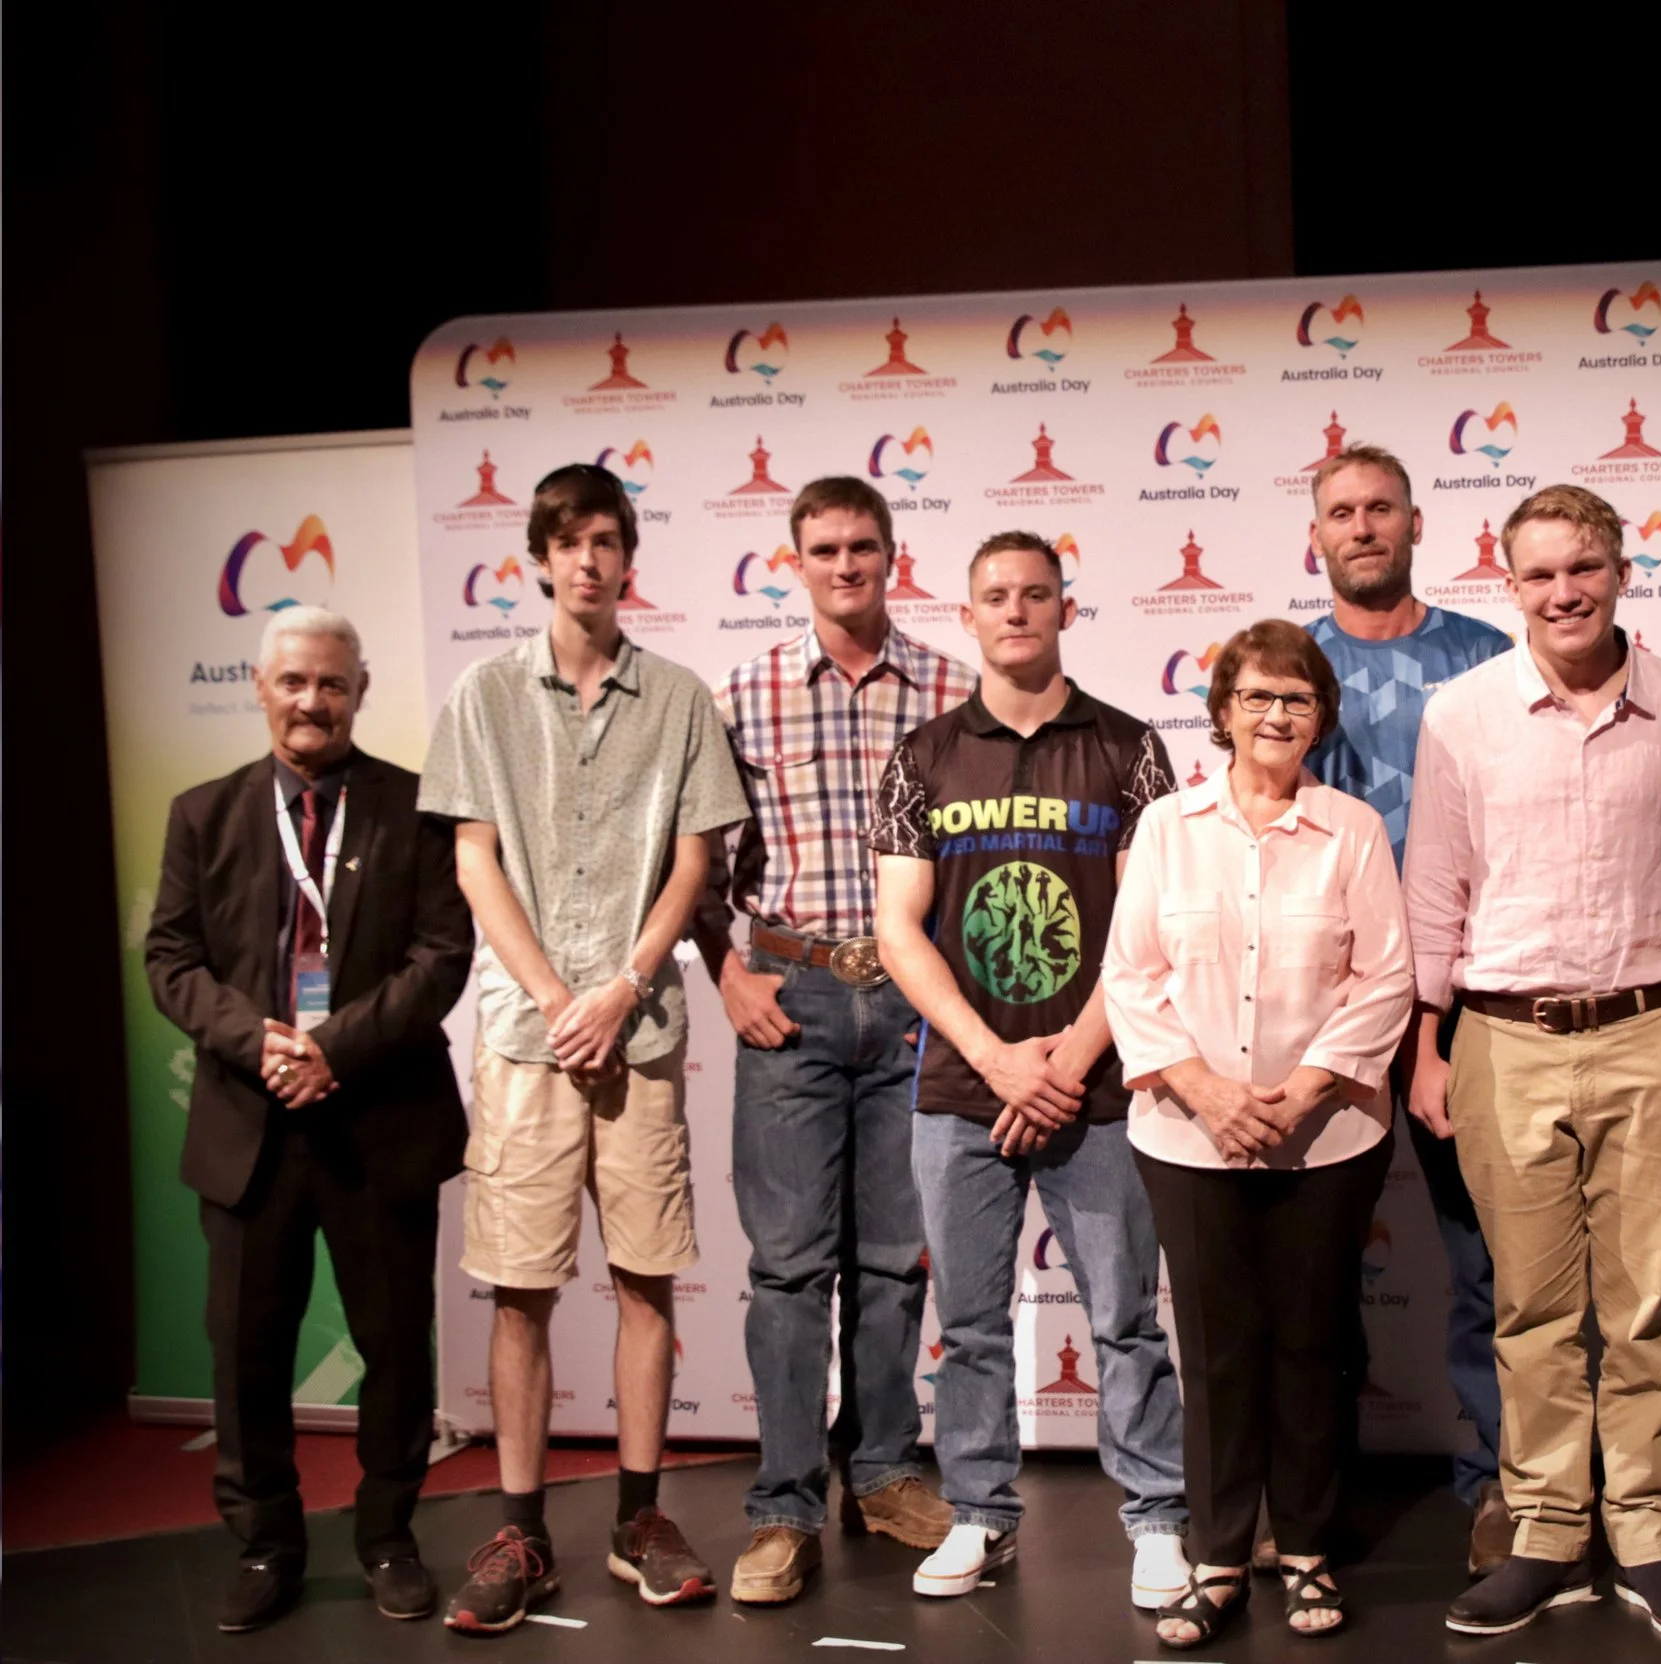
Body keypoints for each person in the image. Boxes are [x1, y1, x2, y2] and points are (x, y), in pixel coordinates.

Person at [419, 463, 750, 1634]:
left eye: (607, 540)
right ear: (540, 558)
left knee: (646, 1277)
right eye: (569, 542)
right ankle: (520, 1530)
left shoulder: (679, 697)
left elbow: (694, 862)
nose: (589, 560)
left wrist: (619, 989)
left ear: (627, 558)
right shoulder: (483, 693)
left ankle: (637, 1518)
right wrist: (563, 997)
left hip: (640, 1032)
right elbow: (474, 860)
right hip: (525, 1036)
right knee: (520, 1287)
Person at [1404, 484, 1661, 1642]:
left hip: (1650, 1029)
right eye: (1540, 574)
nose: (1563, 592)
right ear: (1510, 584)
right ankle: (1546, 1531)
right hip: (1502, 1038)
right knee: (1531, 1309)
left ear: (1621, 572)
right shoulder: (1461, 712)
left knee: (1645, 1307)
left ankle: (1646, 1529)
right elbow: (1435, 885)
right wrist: (1427, 1043)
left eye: (1583, 567)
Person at [869, 531, 1191, 1615]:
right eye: (996, 596)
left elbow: (1148, 930)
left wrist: (1068, 1058)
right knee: (968, 1325)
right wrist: (996, 1057)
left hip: (1096, 1088)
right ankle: (979, 1511)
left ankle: (1157, 1517)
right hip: (964, 1090)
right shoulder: (921, 755)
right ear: (967, 617)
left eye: (1036, 594)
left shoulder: (1128, 747)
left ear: (1065, 609)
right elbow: (899, 929)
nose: (1016, 611)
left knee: (1126, 1321)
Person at [145, 607, 474, 1634]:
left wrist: (334, 1048)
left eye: (332, 683)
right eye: (293, 681)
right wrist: (262, 1044)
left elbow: (441, 956)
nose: (311, 701)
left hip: (378, 1120)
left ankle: (389, 1537)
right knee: (246, 1353)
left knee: (395, 1347)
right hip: (249, 1128)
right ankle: (265, 1545)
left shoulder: (419, 808)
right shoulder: (203, 814)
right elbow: (170, 959)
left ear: (359, 692)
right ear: (260, 687)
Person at [1102, 620, 1415, 1647]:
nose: (1276, 715)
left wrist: (1304, 1089)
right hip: (1188, 1138)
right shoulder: (1166, 826)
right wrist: (1208, 1093)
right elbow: (1130, 976)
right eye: (1257, 696)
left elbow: (1387, 978)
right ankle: (1220, 1555)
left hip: (1326, 1138)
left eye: (1297, 698)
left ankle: (1310, 1548)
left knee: (1312, 1345)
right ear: (1223, 711)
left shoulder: (1352, 829)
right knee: (1217, 1351)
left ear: (1321, 717)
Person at [694, 477, 974, 1604]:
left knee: (896, 1260)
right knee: (788, 1267)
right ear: (794, 560)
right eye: (825, 549)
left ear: (892, 554)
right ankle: (782, 1508)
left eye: (863, 545)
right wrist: (723, 970)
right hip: (791, 995)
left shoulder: (954, 689)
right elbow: (693, 862)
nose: (845, 565)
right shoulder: (742, 693)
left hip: (913, 1001)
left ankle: (885, 1473)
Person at [1302, 443, 1514, 1578]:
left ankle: (1501, 1486)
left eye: (1380, 507)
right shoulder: (1288, 666)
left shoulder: (1486, 658)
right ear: (1317, 536)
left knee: (1487, 1253)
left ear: (1417, 523)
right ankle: (1307, 1500)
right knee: (1312, 1263)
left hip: (1463, 1000)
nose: (1363, 526)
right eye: (1341, 511)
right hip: (1323, 1004)